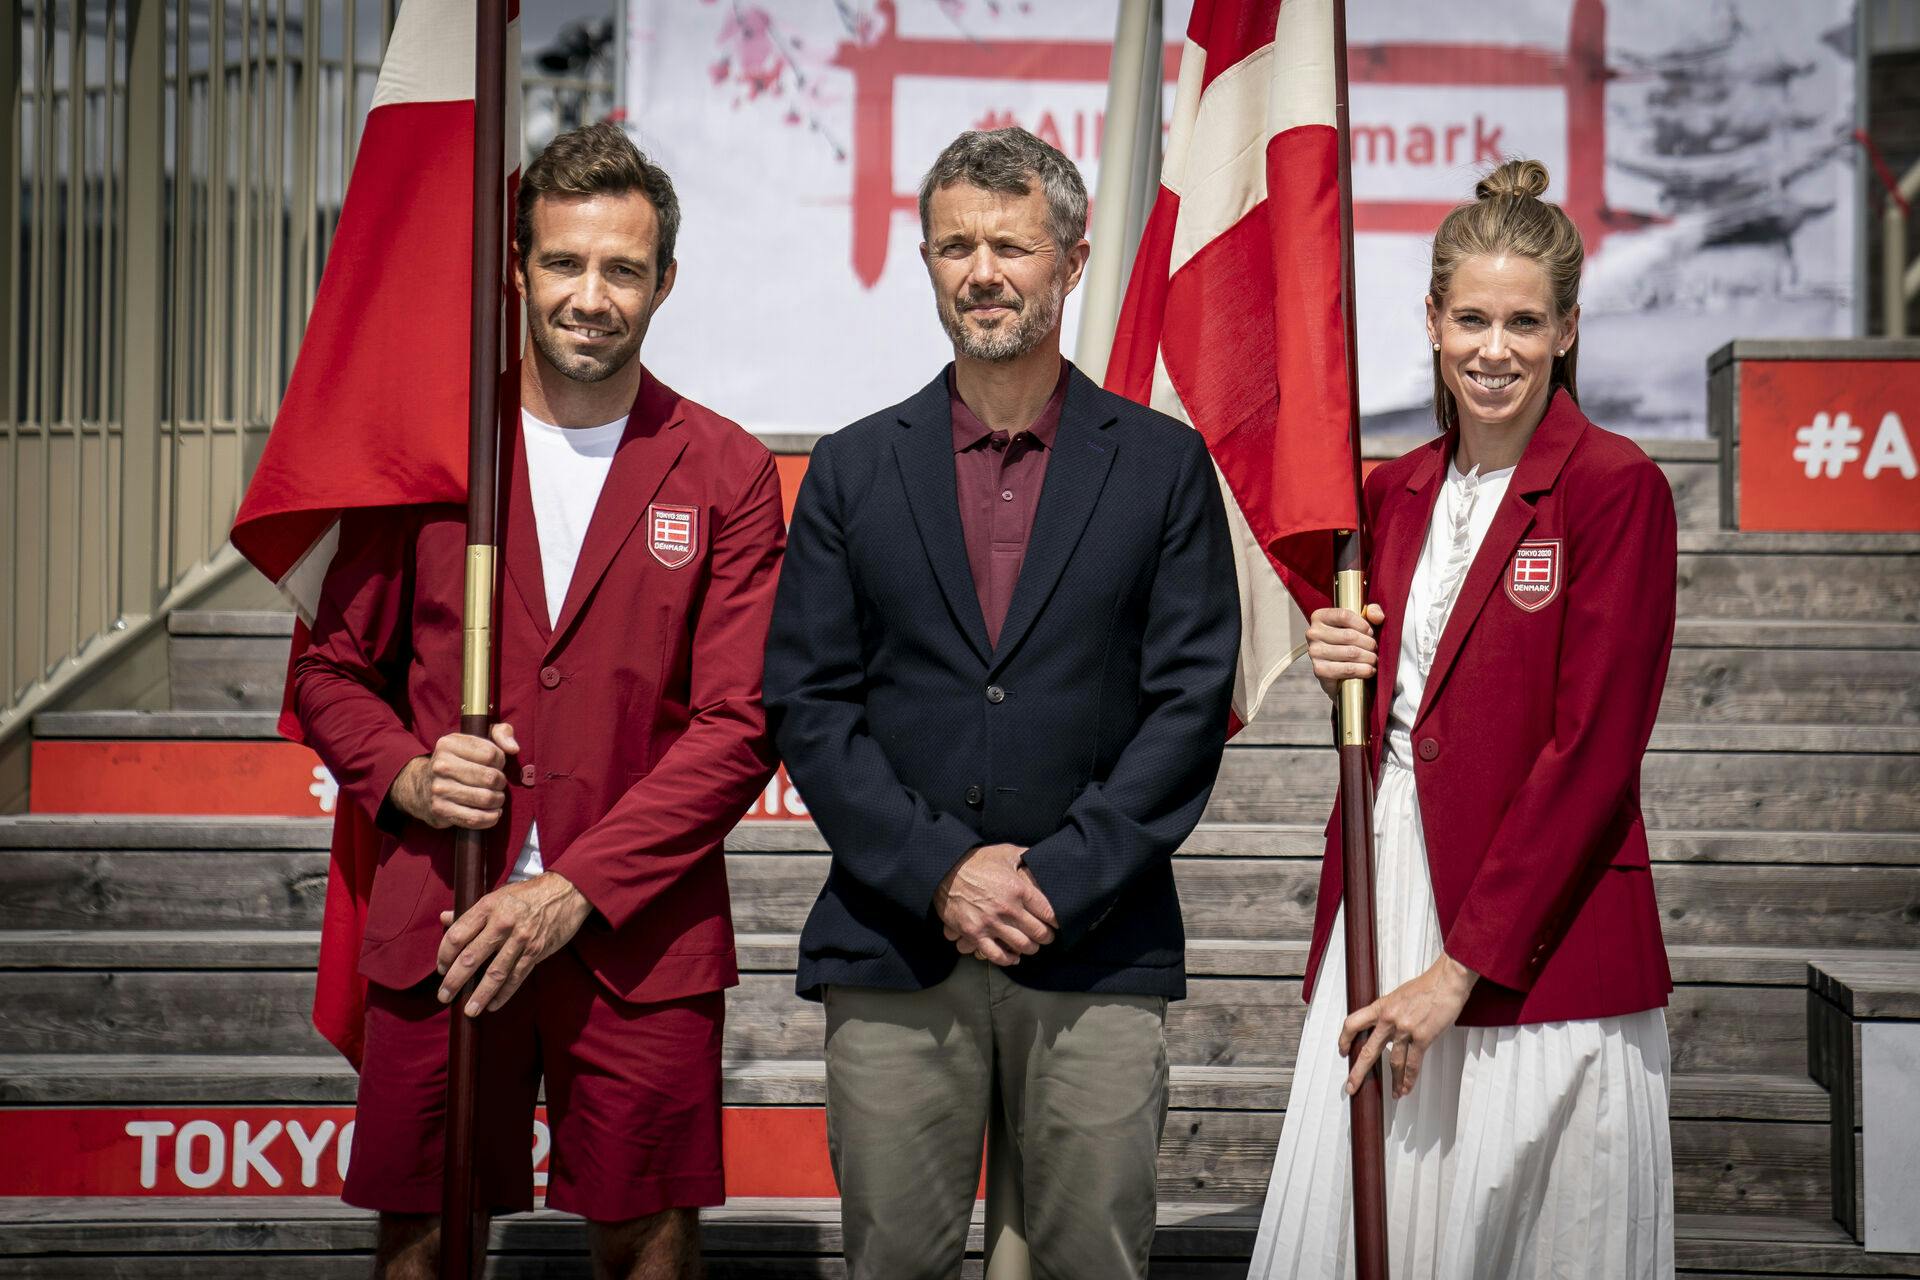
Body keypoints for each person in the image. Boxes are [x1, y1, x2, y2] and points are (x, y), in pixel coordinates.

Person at [293, 122, 785, 1280]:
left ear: (665, 280)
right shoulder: (425, 451)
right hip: (443, 910)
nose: (590, 295)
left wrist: (576, 888)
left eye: (622, 268)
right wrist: (409, 771)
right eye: (564, 263)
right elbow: (326, 670)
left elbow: (741, 724)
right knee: (422, 1236)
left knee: (651, 1243)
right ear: (516, 268)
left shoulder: (724, 468)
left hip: (638, 927)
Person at [763, 126, 1239, 1280]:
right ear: (927, 261)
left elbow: (1188, 702)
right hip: (895, 939)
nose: (982, 271)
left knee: (1089, 1260)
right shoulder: (852, 467)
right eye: (956, 245)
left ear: (1071, 263)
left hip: (1096, 939)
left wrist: (1054, 876)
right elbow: (808, 702)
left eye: (1012, 246)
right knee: (893, 1262)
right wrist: (944, 870)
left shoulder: (1165, 465)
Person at [1249, 158, 1678, 1279]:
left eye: (1526, 322)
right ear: (1433, 320)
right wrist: (1339, 651)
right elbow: (1403, 708)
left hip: (1542, 941)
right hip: (1388, 889)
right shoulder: (1389, 492)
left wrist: (1459, 968)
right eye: (1473, 317)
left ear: (1569, 327)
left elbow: (1593, 751)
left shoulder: (1615, 485)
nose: (1497, 348)